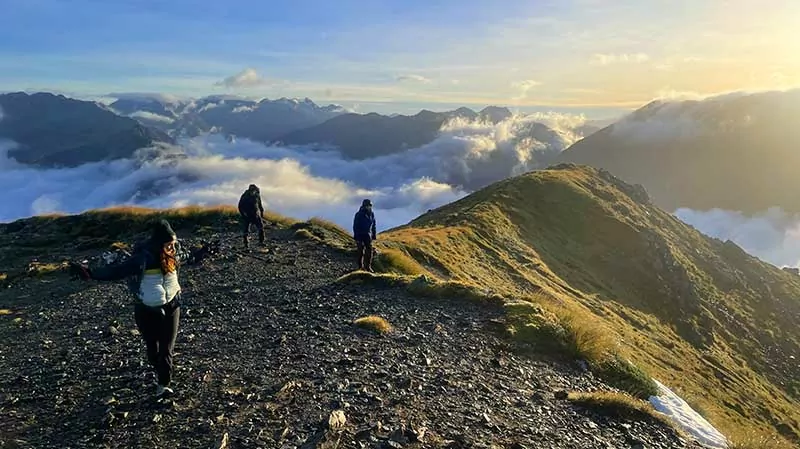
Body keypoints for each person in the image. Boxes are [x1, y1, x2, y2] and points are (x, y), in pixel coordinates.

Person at [69, 220, 205, 399]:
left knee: (166, 348)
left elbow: (187, 256)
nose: (173, 247)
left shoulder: (173, 255)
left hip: (172, 305)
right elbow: (117, 271)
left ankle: (163, 385)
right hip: (146, 309)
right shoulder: (143, 258)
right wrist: (91, 273)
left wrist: (203, 252)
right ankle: (161, 371)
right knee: (152, 349)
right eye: (169, 244)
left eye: (174, 243)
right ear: (159, 243)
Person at [238, 184, 266, 249]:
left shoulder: (257, 195)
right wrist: (243, 215)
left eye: (254, 190)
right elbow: (240, 206)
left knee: (261, 228)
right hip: (247, 216)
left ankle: (261, 242)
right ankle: (246, 244)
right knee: (246, 230)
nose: (253, 192)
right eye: (252, 190)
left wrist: (261, 214)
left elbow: (260, 205)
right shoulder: (244, 196)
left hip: (256, 215)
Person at [353, 199, 377, 272]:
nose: (369, 207)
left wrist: (374, 235)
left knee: (369, 250)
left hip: (368, 235)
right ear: (364, 206)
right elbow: (355, 226)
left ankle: (368, 267)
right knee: (360, 251)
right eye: (368, 205)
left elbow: (373, 225)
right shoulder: (359, 214)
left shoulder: (372, 214)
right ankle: (360, 267)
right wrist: (356, 236)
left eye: (370, 205)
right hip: (360, 234)